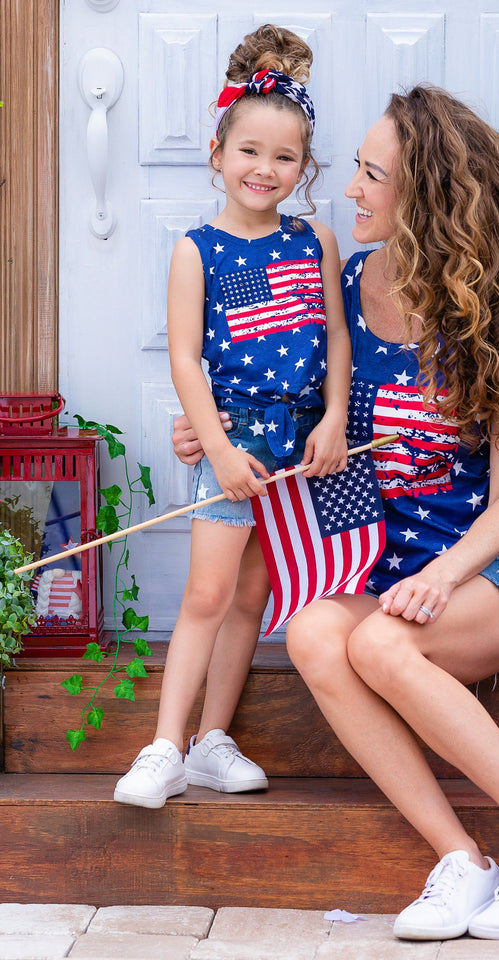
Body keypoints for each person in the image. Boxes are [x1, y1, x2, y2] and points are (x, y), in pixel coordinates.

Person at [172, 84, 499, 942]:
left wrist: (443, 578)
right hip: (384, 567)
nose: (351, 189)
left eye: (373, 175)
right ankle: (463, 863)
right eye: (359, 169)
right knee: (310, 633)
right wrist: (212, 433)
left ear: (429, 195)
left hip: (482, 568)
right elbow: (289, 403)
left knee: (375, 643)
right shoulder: (341, 284)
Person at [114, 24, 350, 809]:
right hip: (238, 440)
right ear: (217, 154)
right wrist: (216, 447)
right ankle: (163, 746)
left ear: (303, 167)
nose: (265, 169)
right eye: (249, 150)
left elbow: (336, 337)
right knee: (208, 595)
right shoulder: (198, 249)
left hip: (304, 443)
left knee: (254, 597)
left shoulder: (315, 239)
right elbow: (186, 359)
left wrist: (335, 419)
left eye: (284, 157)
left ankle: (212, 741)